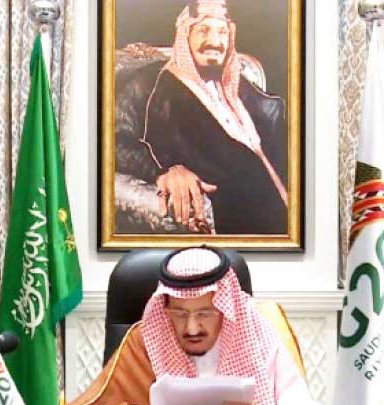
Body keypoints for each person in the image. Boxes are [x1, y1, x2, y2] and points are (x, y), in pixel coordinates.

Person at [67, 247, 321, 405]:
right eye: (179, 314)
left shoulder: (259, 333)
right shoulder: (144, 340)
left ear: (225, 308)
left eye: (204, 313)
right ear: (165, 307)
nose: (191, 329)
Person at [115, 0, 288, 234]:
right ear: (185, 36)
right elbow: (115, 140)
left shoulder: (243, 88)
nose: (214, 42)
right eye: (203, 30)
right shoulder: (149, 84)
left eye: (222, 32)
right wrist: (165, 171)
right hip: (237, 221)